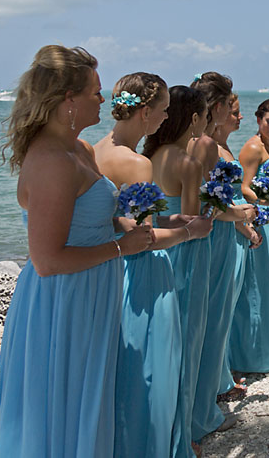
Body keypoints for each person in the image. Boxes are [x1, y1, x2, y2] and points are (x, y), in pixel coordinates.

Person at [0, 45, 153, 457]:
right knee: (62, 400)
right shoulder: (51, 160)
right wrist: (120, 246)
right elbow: (46, 260)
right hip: (63, 299)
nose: (104, 99)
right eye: (95, 91)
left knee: (86, 396)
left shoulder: (81, 149)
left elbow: (86, 218)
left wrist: (121, 223)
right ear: (67, 101)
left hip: (92, 289)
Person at [94, 72, 213, 458]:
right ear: (144, 112)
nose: (165, 119)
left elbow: (122, 222)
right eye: (162, 111)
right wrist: (190, 233)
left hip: (107, 271)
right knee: (153, 368)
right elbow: (143, 239)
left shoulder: (91, 151)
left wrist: (171, 222)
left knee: (119, 368)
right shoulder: (136, 165)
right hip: (144, 274)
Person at [187, 72, 257, 442]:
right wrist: (239, 215)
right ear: (216, 107)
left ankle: (211, 390)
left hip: (212, 235)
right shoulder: (205, 146)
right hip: (214, 238)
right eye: (229, 105)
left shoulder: (192, 141)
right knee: (211, 320)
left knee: (210, 319)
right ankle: (206, 405)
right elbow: (207, 200)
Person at [144, 85, 213, 458]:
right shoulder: (187, 163)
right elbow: (192, 220)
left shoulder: (152, 154)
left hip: (156, 253)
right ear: (195, 119)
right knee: (187, 343)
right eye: (205, 115)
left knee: (163, 347)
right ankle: (182, 435)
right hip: (185, 256)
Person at [229, 97, 269, 374]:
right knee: (260, 283)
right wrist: (265, 197)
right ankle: (255, 356)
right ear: (259, 120)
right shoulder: (253, 147)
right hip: (260, 217)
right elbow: (241, 188)